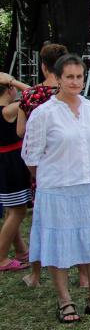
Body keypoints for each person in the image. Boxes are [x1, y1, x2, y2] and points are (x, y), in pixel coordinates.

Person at [22, 54, 90, 323]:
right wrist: (52, 177)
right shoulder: (44, 113)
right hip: (56, 189)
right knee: (58, 246)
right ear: (58, 78)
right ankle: (65, 301)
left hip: (88, 186)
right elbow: (31, 157)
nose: (76, 82)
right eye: (70, 77)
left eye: (79, 76)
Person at [16, 43, 75, 288]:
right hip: (71, 167)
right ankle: (83, 277)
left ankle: (36, 275)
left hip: (43, 170)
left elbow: (21, 132)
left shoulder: (31, 96)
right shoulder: (73, 95)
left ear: (43, 65)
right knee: (75, 221)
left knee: (42, 224)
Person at [0, 73, 32, 272]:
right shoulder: (8, 110)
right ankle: (2, 257)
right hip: (11, 163)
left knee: (12, 210)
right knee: (18, 210)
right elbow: (34, 94)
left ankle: (20, 250)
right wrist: (12, 80)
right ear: (10, 89)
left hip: (6, 162)